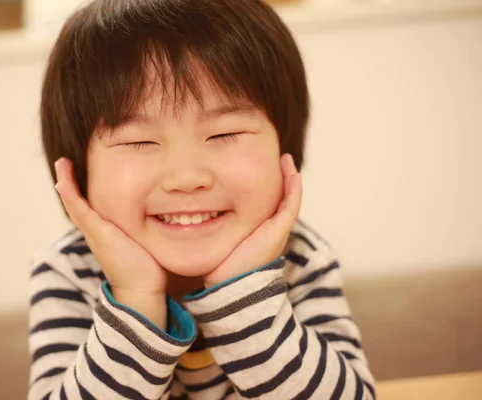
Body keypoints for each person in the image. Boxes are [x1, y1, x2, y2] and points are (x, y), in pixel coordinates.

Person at [29, 0, 376, 398]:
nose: (187, 177)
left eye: (224, 133)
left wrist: (244, 294)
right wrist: (136, 297)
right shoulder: (68, 272)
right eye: (139, 140)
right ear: (78, 171)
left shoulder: (300, 259)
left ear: (285, 149)